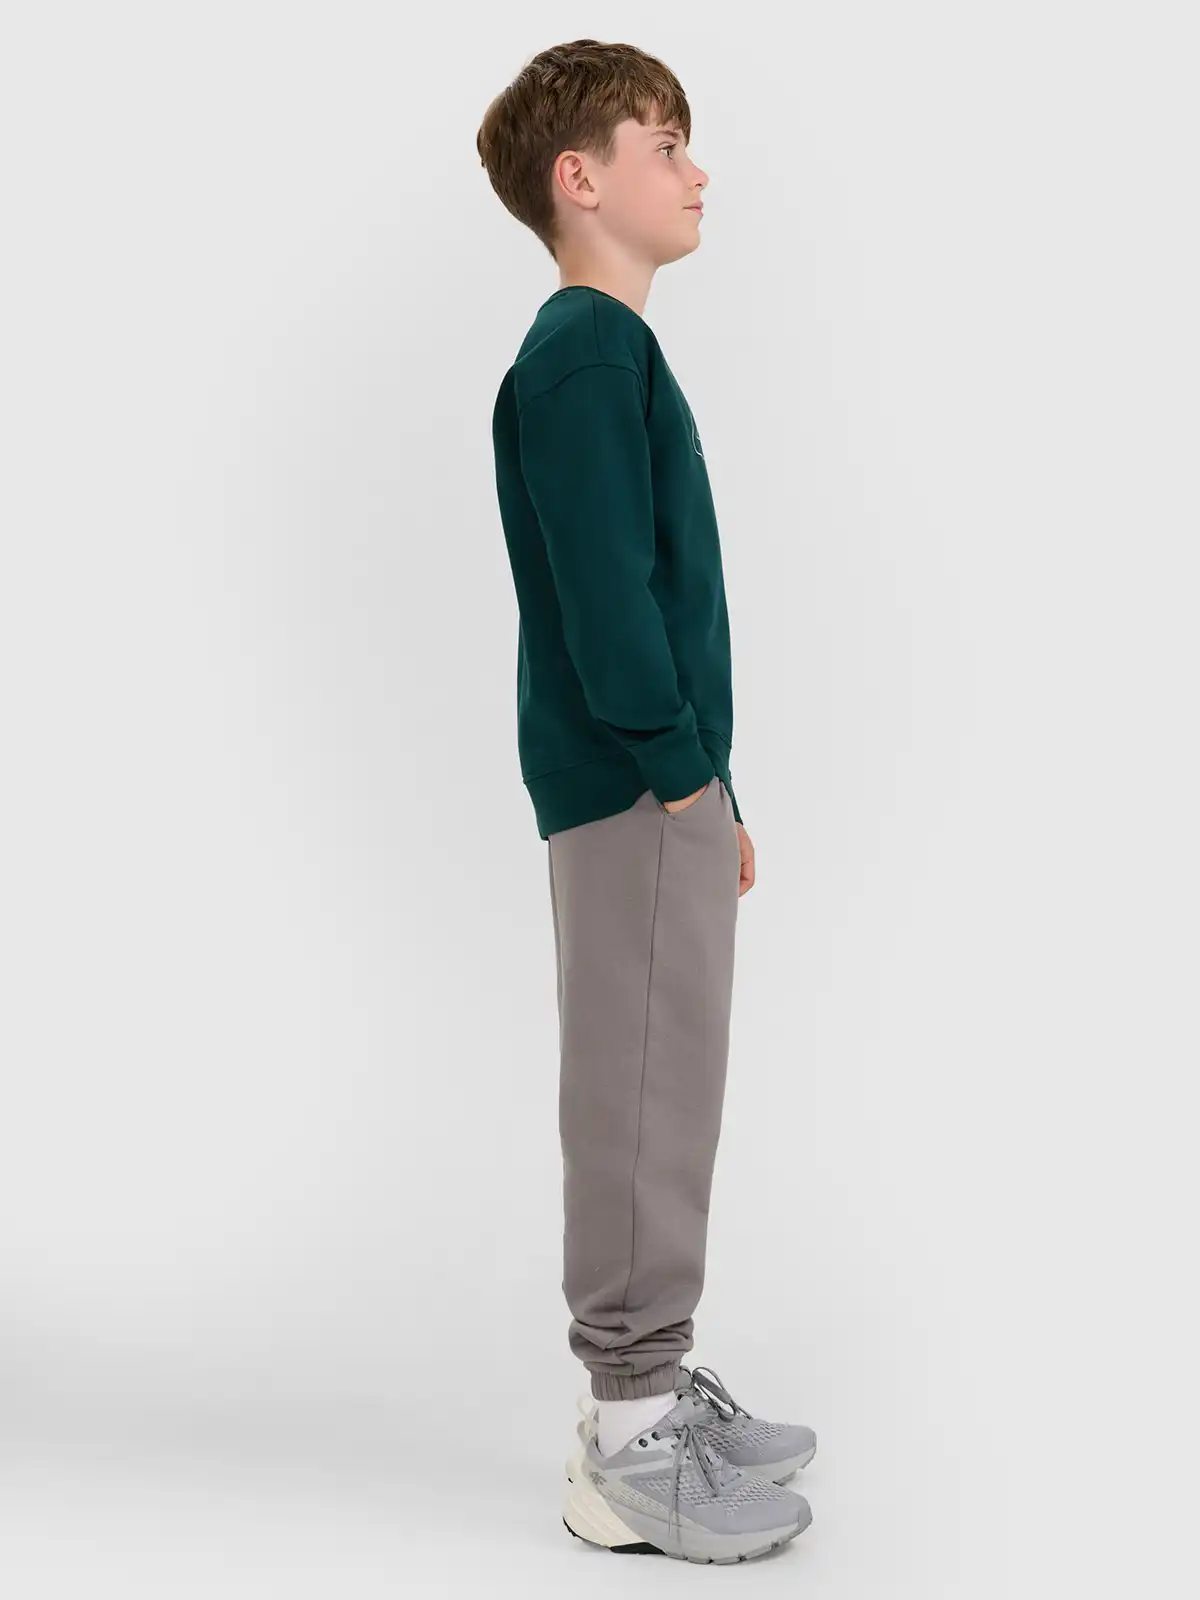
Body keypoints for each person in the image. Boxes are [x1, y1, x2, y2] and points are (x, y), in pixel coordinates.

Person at [477, 39, 817, 1562]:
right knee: (638, 1093)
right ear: (582, 178)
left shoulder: (609, 353)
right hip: (632, 781)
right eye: (665, 144)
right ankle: (626, 1440)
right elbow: (608, 600)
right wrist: (681, 772)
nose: (696, 171)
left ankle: (655, 1385)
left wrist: (712, 787)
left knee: (666, 1083)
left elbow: (649, 595)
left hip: (658, 782)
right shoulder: (582, 354)